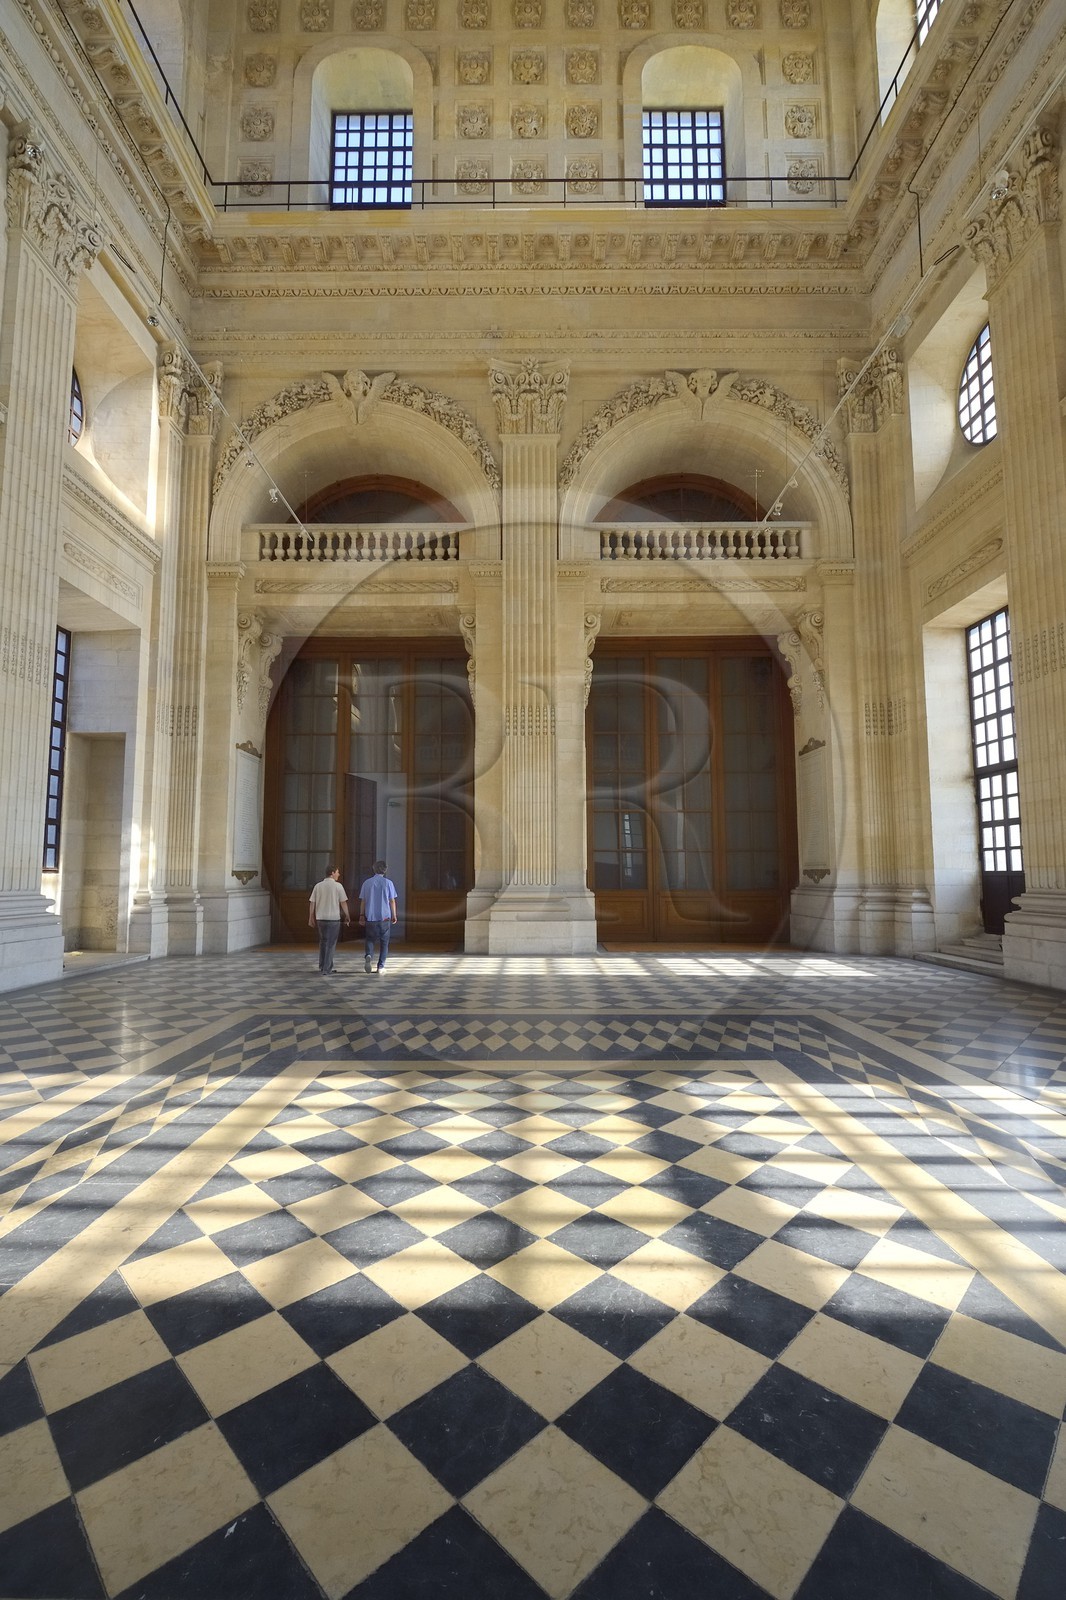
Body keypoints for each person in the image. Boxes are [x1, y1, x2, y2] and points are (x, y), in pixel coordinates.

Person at [358, 859, 398, 973]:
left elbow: (363, 901)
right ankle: (381, 966)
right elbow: (392, 901)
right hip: (384, 917)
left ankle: (368, 955)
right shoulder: (388, 883)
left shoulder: (367, 883)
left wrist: (361, 915)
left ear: (374, 869)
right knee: (384, 942)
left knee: (370, 939)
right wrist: (394, 915)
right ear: (385, 870)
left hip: (371, 917)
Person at [308, 865, 350, 974]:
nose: (338, 874)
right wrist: (347, 915)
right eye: (337, 872)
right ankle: (327, 969)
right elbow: (343, 902)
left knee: (323, 942)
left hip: (320, 918)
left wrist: (311, 916)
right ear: (332, 873)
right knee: (331, 944)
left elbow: (312, 902)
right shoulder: (338, 886)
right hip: (333, 919)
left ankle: (322, 965)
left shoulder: (318, 886)